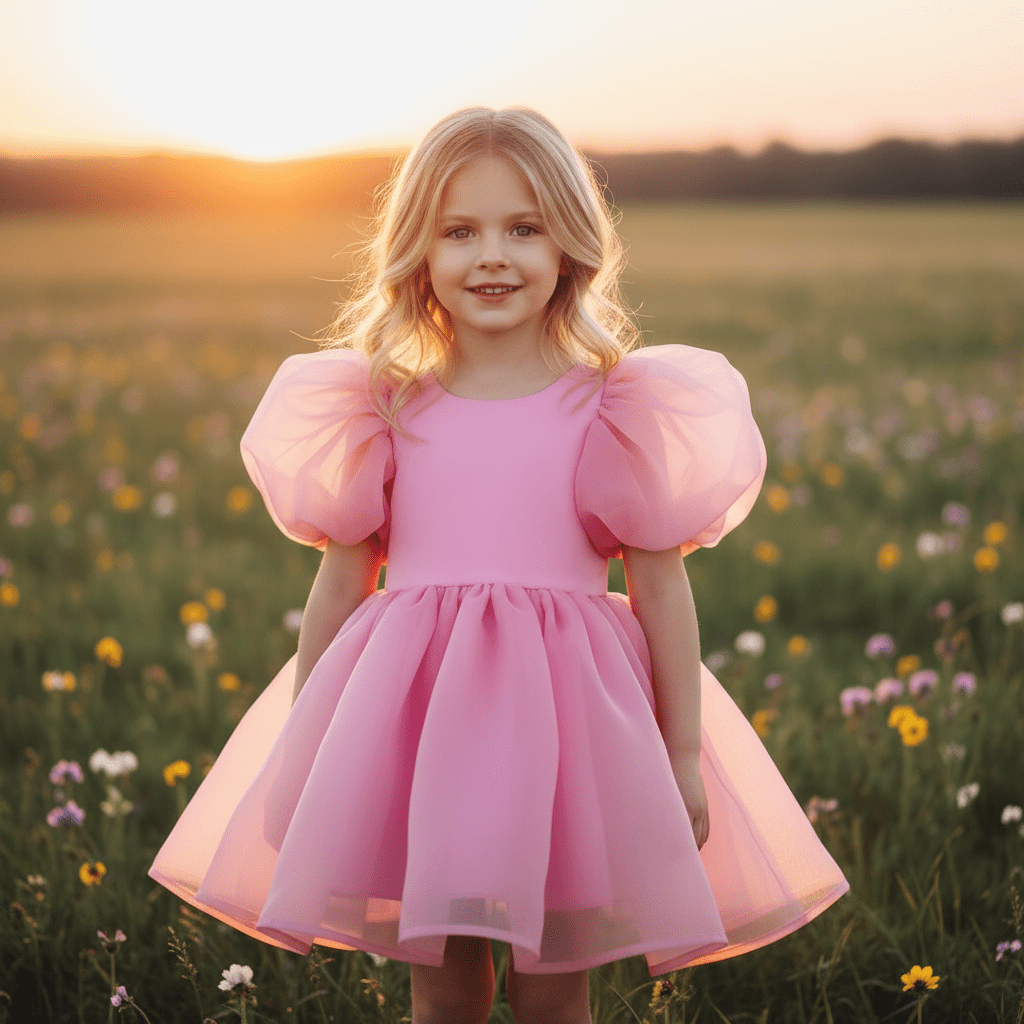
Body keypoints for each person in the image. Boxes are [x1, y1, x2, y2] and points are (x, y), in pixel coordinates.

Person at [150, 106, 848, 1024]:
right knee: (442, 985)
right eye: (460, 232)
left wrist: (680, 752)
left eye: (524, 229)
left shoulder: (614, 408)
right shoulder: (383, 408)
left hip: (565, 734)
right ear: (418, 249)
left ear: (569, 246)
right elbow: (340, 584)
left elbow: (661, 588)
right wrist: (304, 741)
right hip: (419, 726)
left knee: (556, 986)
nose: (492, 256)